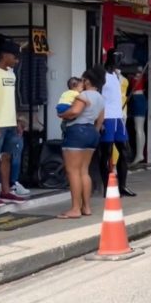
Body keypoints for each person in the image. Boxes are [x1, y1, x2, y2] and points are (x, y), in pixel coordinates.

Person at [57, 68, 105, 219]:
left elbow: (74, 112)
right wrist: (94, 131)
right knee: (84, 171)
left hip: (77, 132)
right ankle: (86, 207)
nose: (81, 83)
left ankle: (75, 209)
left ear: (88, 81)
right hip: (91, 132)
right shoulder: (100, 97)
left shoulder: (82, 95)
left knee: (73, 171)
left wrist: (62, 114)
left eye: (83, 80)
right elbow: (100, 119)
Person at [0, 36, 26, 206]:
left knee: (6, 157)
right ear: (5, 55)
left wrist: (18, 120)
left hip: (10, 123)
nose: (17, 60)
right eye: (15, 57)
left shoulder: (11, 75)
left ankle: (6, 191)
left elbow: (13, 100)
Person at [99, 52, 135, 197]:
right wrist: (99, 119)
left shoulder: (115, 75)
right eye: (118, 59)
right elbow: (98, 98)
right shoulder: (102, 76)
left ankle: (122, 185)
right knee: (106, 153)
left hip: (118, 118)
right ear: (111, 59)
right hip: (107, 118)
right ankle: (106, 187)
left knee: (125, 152)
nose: (120, 62)